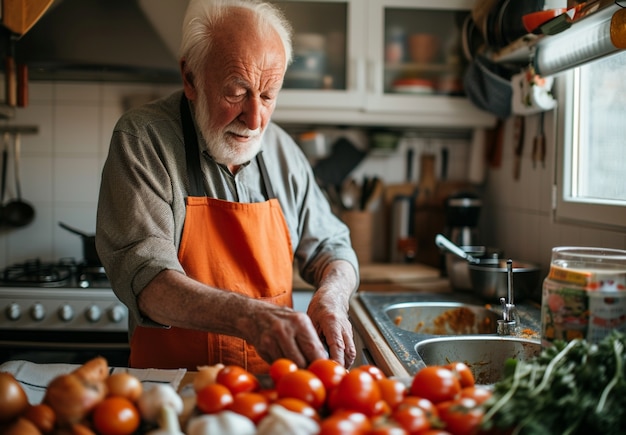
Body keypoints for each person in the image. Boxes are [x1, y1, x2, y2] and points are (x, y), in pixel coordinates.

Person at [95, 0, 359, 374]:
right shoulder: (144, 140)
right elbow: (149, 280)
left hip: (269, 392)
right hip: (170, 390)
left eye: (268, 96)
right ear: (191, 78)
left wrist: (332, 296)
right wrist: (250, 317)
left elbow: (334, 247)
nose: (254, 120)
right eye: (236, 92)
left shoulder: (283, 150)